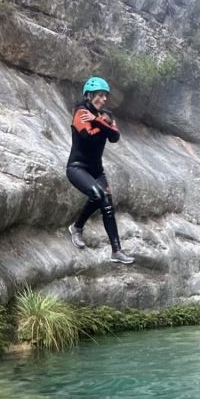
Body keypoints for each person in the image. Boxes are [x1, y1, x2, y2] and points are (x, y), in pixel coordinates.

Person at [66, 77, 135, 265]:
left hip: (97, 171)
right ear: (89, 95)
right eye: (100, 95)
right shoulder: (80, 112)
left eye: (105, 96)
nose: (104, 99)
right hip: (77, 168)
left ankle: (117, 251)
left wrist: (97, 120)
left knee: (108, 206)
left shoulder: (104, 116)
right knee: (97, 195)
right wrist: (102, 124)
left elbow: (115, 136)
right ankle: (76, 227)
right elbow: (87, 136)